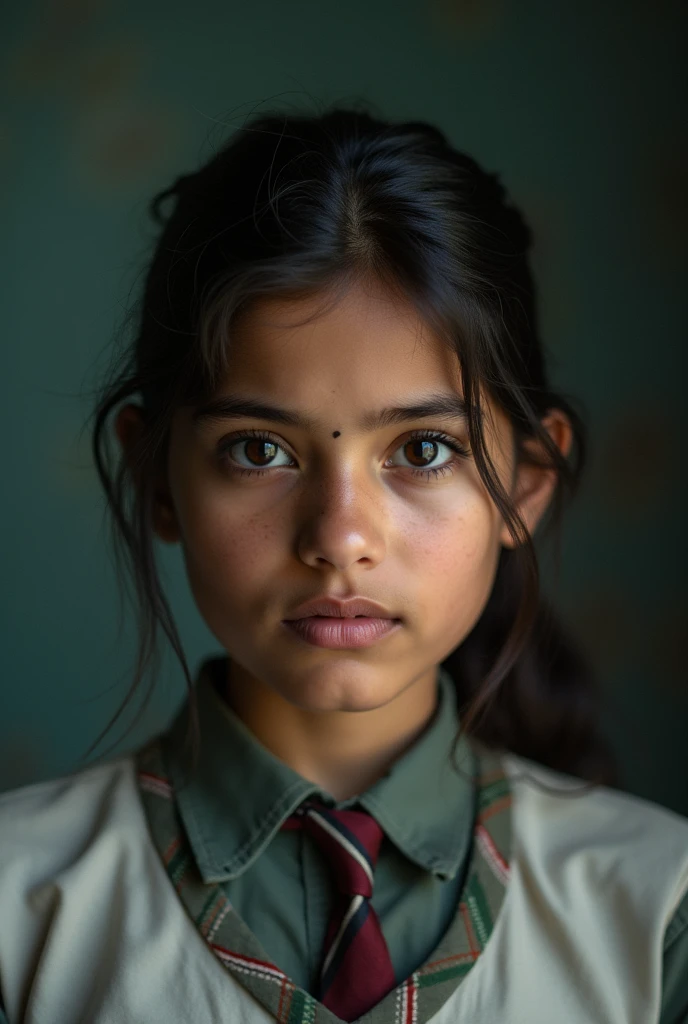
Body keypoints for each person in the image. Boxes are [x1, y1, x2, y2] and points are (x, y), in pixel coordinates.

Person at [0, 104, 686, 1024]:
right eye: (257, 450)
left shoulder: (661, 914)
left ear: (524, 485)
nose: (341, 535)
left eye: (424, 450)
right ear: (157, 477)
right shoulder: (18, 909)